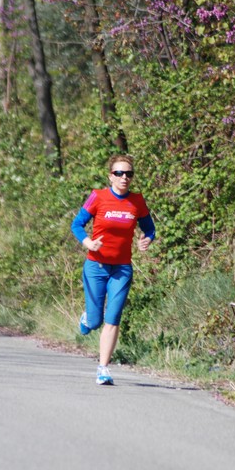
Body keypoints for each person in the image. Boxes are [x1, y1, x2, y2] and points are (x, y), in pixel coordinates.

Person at [71, 154, 155, 385]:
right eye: (119, 173)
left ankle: (103, 369)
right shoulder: (98, 197)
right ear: (110, 176)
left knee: (113, 318)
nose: (124, 177)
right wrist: (88, 242)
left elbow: (149, 229)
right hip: (95, 266)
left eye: (128, 173)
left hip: (122, 268)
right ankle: (88, 317)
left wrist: (147, 240)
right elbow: (76, 224)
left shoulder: (137, 201)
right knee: (96, 321)